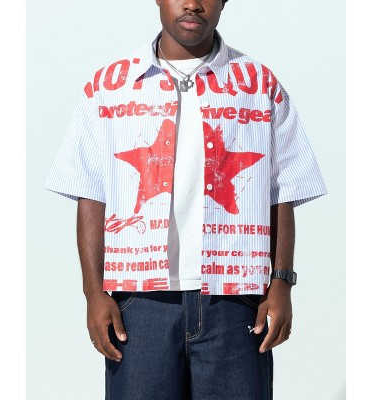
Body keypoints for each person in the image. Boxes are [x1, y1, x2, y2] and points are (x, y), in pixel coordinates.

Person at [44, 0, 327, 398]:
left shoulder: (258, 85)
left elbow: (282, 191)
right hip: (139, 303)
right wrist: (94, 292)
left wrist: (281, 283)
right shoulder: (109, 87)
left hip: (236, 301)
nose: (192, 4)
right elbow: (90, 192)